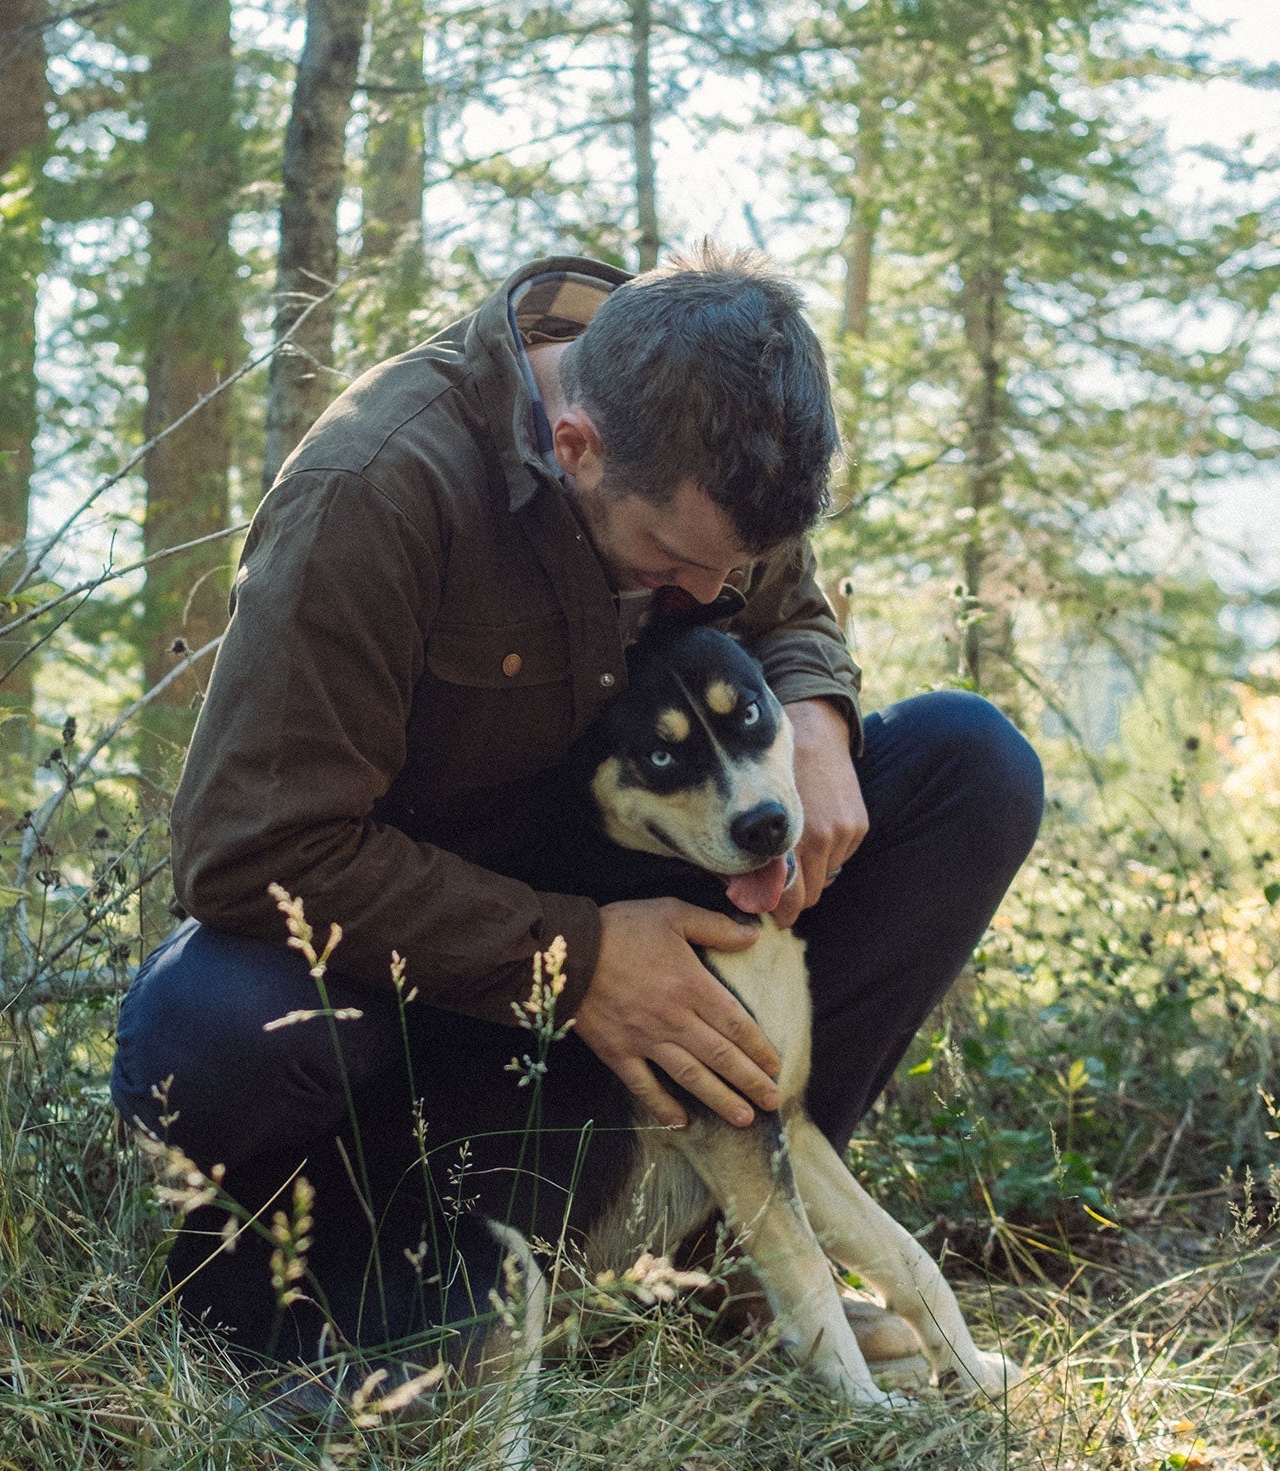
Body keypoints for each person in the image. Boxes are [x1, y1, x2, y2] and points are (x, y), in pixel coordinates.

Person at [111, 245, 1044, 1362]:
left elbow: (782, 613)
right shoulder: (374, 492)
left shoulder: (714, 420)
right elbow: (248, 844)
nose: (705, 596)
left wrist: (817, 716)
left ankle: (733, 1257)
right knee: (216, 1027)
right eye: (672, 561)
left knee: (967, 765)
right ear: (576, 447)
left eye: (729, 568)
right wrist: (577, 958)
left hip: (633, 864)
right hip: (414, 949)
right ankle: (318, 1311)